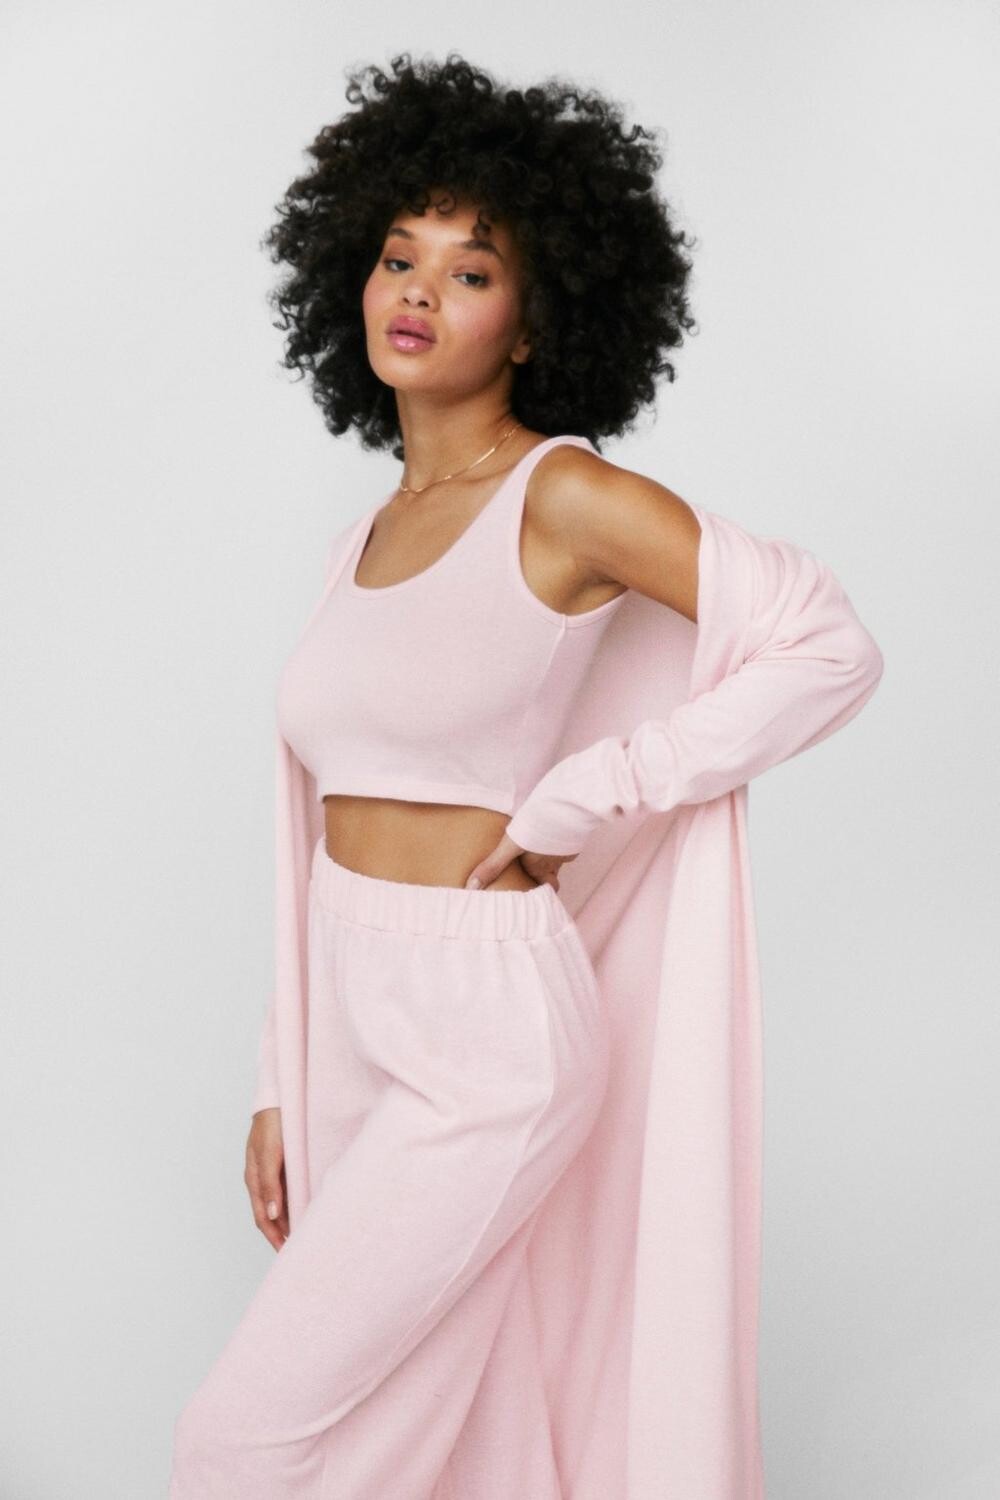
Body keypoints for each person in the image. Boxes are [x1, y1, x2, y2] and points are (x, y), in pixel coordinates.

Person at [168, 52, 884, 1500]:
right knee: (457, 1436)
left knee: (241, 1444)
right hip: (354, 1017)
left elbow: (825, 641)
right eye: (397, 256)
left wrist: (595, 793)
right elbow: (316, 832)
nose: (417, 292)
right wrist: (277, 1077)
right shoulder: (364, 539)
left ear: (538, 317)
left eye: (472, 270)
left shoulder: (561, 495)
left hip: (487, 1031)